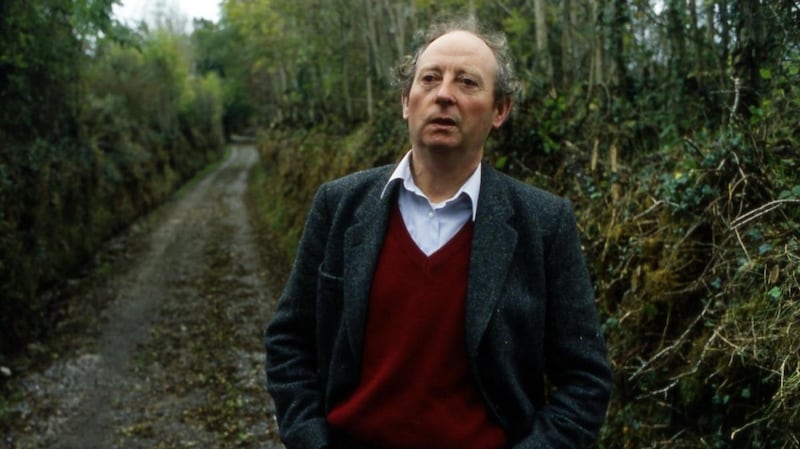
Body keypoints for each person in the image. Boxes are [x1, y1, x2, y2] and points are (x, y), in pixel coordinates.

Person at [265, 17, 612, 449]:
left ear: (500, 110)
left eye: (467, 82)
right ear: (406, 101)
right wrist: (311, 439)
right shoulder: (340, 205)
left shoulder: (543, 223)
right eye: (429, 78)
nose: (444, 94)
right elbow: (288, 341)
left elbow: (585, 379)